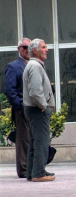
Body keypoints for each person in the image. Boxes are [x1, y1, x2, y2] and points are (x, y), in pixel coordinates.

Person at [23, 39, 56, 182]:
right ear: (35, 51)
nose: (47, 49)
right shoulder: (35, 66)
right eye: (43, 47)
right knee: (41, 142)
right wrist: (44, 106)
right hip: (37, 110)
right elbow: (36, 92)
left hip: (33, 109)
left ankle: (33, 172)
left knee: (35, 142)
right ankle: (39, 173)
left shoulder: (32, 65)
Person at [4, 38, 30, 178]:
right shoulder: (13, 66)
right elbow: (9, 90)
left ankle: (33, 166)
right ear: (18, 49)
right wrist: (19, 107)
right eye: (24, 47)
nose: (26, 49)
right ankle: (24, 169)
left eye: (29, 47)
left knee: (33, 139)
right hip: (22, 109)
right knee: (23, 140)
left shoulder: (34, 64)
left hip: (34, 109)